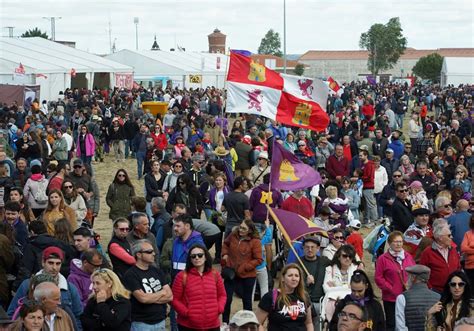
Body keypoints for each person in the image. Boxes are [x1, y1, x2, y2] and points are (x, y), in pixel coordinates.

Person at [8, 246, 83, 326]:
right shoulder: (27, 285)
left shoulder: (69, 288)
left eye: (58, 264)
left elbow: (77, 317)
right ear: (43, 262)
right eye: (50, 263)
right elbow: (12, 313)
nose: (54, 267)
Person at [172, 244, 226, 331]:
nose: (197, 258)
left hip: (212, 325)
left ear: (205, 257)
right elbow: (174, 299)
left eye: (200, 255)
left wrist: (219, 309)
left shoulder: (215, 274)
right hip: (188, 325)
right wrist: (186, 313)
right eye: (193, 256)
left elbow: (222, 295)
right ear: (190, 259)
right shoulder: (182, 276)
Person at [123, 240, 172, 331]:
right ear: (138, 255)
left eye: (153, 251)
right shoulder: (131, 274)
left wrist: (150, 298)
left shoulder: (156, 270)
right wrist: (161, 292)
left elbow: (169, 296)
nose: (153, 254)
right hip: (141, 324)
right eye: (149, 252)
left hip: (160, 321)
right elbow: (143, 299)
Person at [222, 219, 263, 324]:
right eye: (240, 227)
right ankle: (225, 323)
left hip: (248, 275)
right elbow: (226, 244)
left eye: (244, 228)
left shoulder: (255, 241)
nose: (240, 230)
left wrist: (245, 267)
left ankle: (248, 324)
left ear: (250, 230)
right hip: (231, 273)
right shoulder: (233, 235)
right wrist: (225, 254)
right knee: (226, 299)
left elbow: (258, 259)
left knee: (247, 301)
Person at [375, 231, 415, 331]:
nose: (398, 244)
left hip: (407, 297)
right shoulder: (382, 259)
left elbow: (414, 272)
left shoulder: (408, 256)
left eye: (400, 241)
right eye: (395, 241)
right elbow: (378, 278)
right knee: (391, 324)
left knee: (407, 323)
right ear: (389, 243)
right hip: (391, 298)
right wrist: (390, 288)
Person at [256, 264, 313, 330]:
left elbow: (309, 323)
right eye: (290, 275)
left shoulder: (304, 296)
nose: (294, 279)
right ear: (283, 278)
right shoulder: (270, 297)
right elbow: (258, 323)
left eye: (296, 276)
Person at [394, 265, 441, 331]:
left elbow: (400, 327)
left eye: (408, 276)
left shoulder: (402, 297)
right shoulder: (438, 297)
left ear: (413, 278)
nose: (407, 279)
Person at [419, 221, 461, 293]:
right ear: (440, 238)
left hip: (453, 290)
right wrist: (430, 288)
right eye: (449, 235)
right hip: (436, 291)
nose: (452, 237)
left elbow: (458, 268)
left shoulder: (453, 250)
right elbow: (422, 273)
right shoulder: (427, 252)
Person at [323, 245, 360, 322]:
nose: (347, 258)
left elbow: (357, 288)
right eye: (344, 256)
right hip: (334, 303)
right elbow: (326, 289)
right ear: (339, 257)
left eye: (350, 256)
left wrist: (336, 287)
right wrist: (348, 286)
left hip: (352, 301)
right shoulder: (330, 269)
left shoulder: (356, 269)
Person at [298, 236, 330, 326]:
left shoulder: (324, 261)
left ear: (318, 248)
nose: (310, 250)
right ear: (303, 248)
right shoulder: (298, 263)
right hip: (303, 302)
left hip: (319, 302)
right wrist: (306, 282)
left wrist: (359, 263)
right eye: (307, 247)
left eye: (313, 247)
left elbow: (339, 262)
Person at [461, 214, 474, 295]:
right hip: (469, 268)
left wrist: (471, 246)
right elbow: (463, 248)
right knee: (471, 291)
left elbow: (467, 249)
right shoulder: (468, 234)